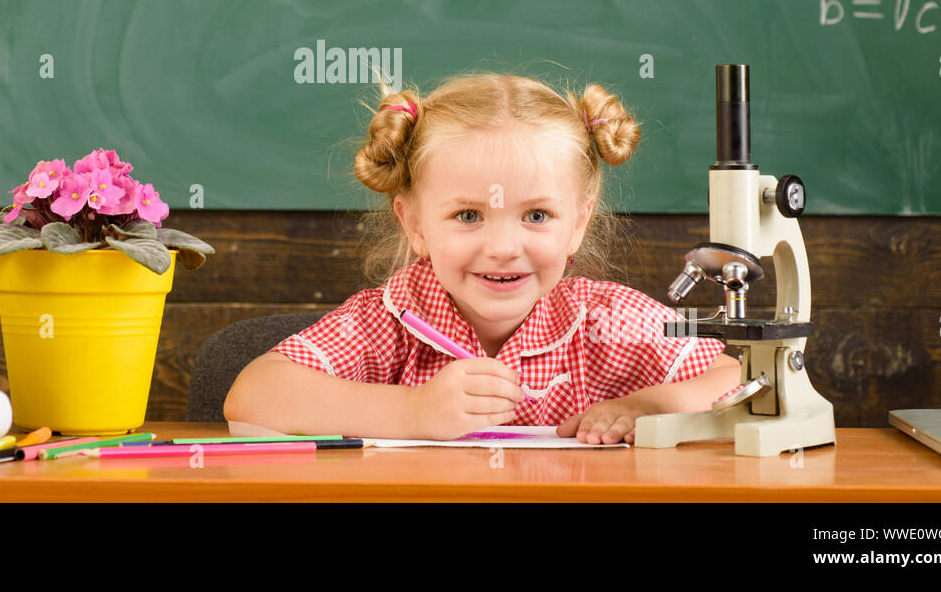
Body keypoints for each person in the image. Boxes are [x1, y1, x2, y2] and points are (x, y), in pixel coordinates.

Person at [224, 71, 740, 442]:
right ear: (415, 224)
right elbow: (254, 395)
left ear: (578, 223)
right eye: (468, 216)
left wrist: (646, 406)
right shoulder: (391, 317)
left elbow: (733, 379)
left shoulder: (604, 320)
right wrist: (414, 411)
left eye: (536, 215)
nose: (501, 247)